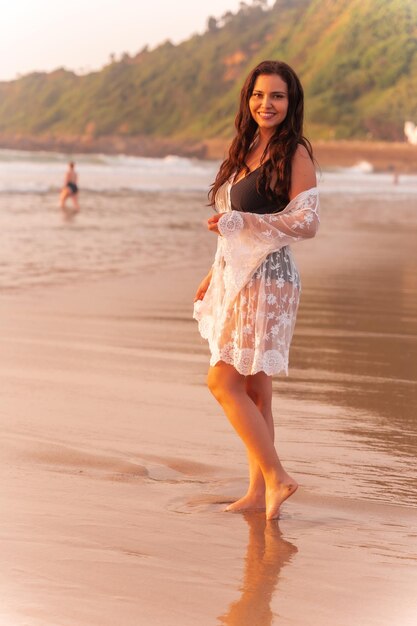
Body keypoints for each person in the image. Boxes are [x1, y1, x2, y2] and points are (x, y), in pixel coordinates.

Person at [193, 60, 319, 520]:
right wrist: (213, 275)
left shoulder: (294, 153)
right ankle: (259, 491)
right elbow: (230, 230)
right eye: (259, 95)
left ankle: (278, 476)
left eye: (278, 96)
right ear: (248, 99)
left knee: (221, 381)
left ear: (291, 103)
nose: (267, 104)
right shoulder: (243, 147)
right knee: (255, 388)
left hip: (269, 281)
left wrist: (247, 219)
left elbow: (308, 222)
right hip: (237, 277)